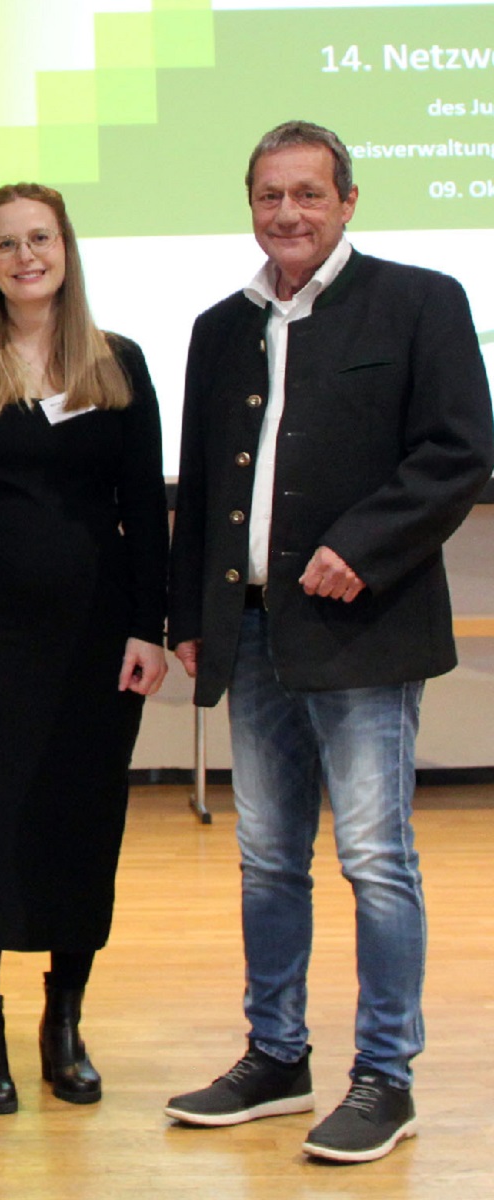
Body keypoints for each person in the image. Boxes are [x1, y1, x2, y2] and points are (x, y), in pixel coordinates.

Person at [164, 121, 494, 1163]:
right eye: (269, 195)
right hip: (251, 630)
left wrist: (363, 544)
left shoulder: (420, 301)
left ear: (347, 201)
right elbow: (204, 484)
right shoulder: (222, 326)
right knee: (266, 859)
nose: (287, 213)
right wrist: (188, 617)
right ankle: (276, 1057)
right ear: (249, 204)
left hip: (365, 629)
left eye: (308, 194)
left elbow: (457, 453)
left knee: (374, 859)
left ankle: (383, 1078)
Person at [0, 183, 169, 1115]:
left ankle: (65, 1021)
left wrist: (153, 624)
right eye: (6, 244)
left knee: (80, 826)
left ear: (66, 248)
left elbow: (145, 505)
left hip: (96, 646)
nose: (25, 256)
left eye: (40, 238)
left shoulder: (118, 361)